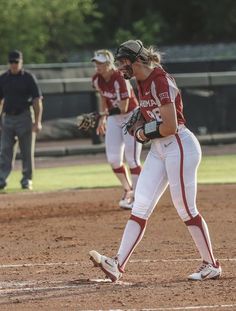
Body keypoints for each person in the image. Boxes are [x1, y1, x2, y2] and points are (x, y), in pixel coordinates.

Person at [89, 40, 222, 281]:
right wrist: (139, 119)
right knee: (140, 205)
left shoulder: (160, 80)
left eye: (123, 62)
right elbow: (147, 112)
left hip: (179, 145)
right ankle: (117, 265)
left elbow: (170, 126)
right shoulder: (139, 82)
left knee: (185, 207)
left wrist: (141, 133)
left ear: (137, 60)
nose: (120, 67)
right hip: (160, 149)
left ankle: (211, 264)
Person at [91, 49, 142, 209]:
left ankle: (139, 197)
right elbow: (103, 97)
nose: (98, 66)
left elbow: (123, 107)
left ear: (108, 64)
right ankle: (128, 190)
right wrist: (101, 118)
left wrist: (101, 114)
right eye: (96, 63)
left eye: (101, 63)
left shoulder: (119, 78)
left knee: (132, 158)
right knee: (113, 159)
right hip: (114, 117)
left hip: (131, 116)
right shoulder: (96, 79)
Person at [0, 50, 43, 190]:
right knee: (5, 150)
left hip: (24, 116)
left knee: (26, 151)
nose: (14, 65)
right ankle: (2, 178)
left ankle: (27, 179)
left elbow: (37, 100)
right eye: (11, 62)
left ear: (21, 62)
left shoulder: (28, 78)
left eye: (16, 62)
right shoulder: (3, 78)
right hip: (7, 118)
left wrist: (37, 121)